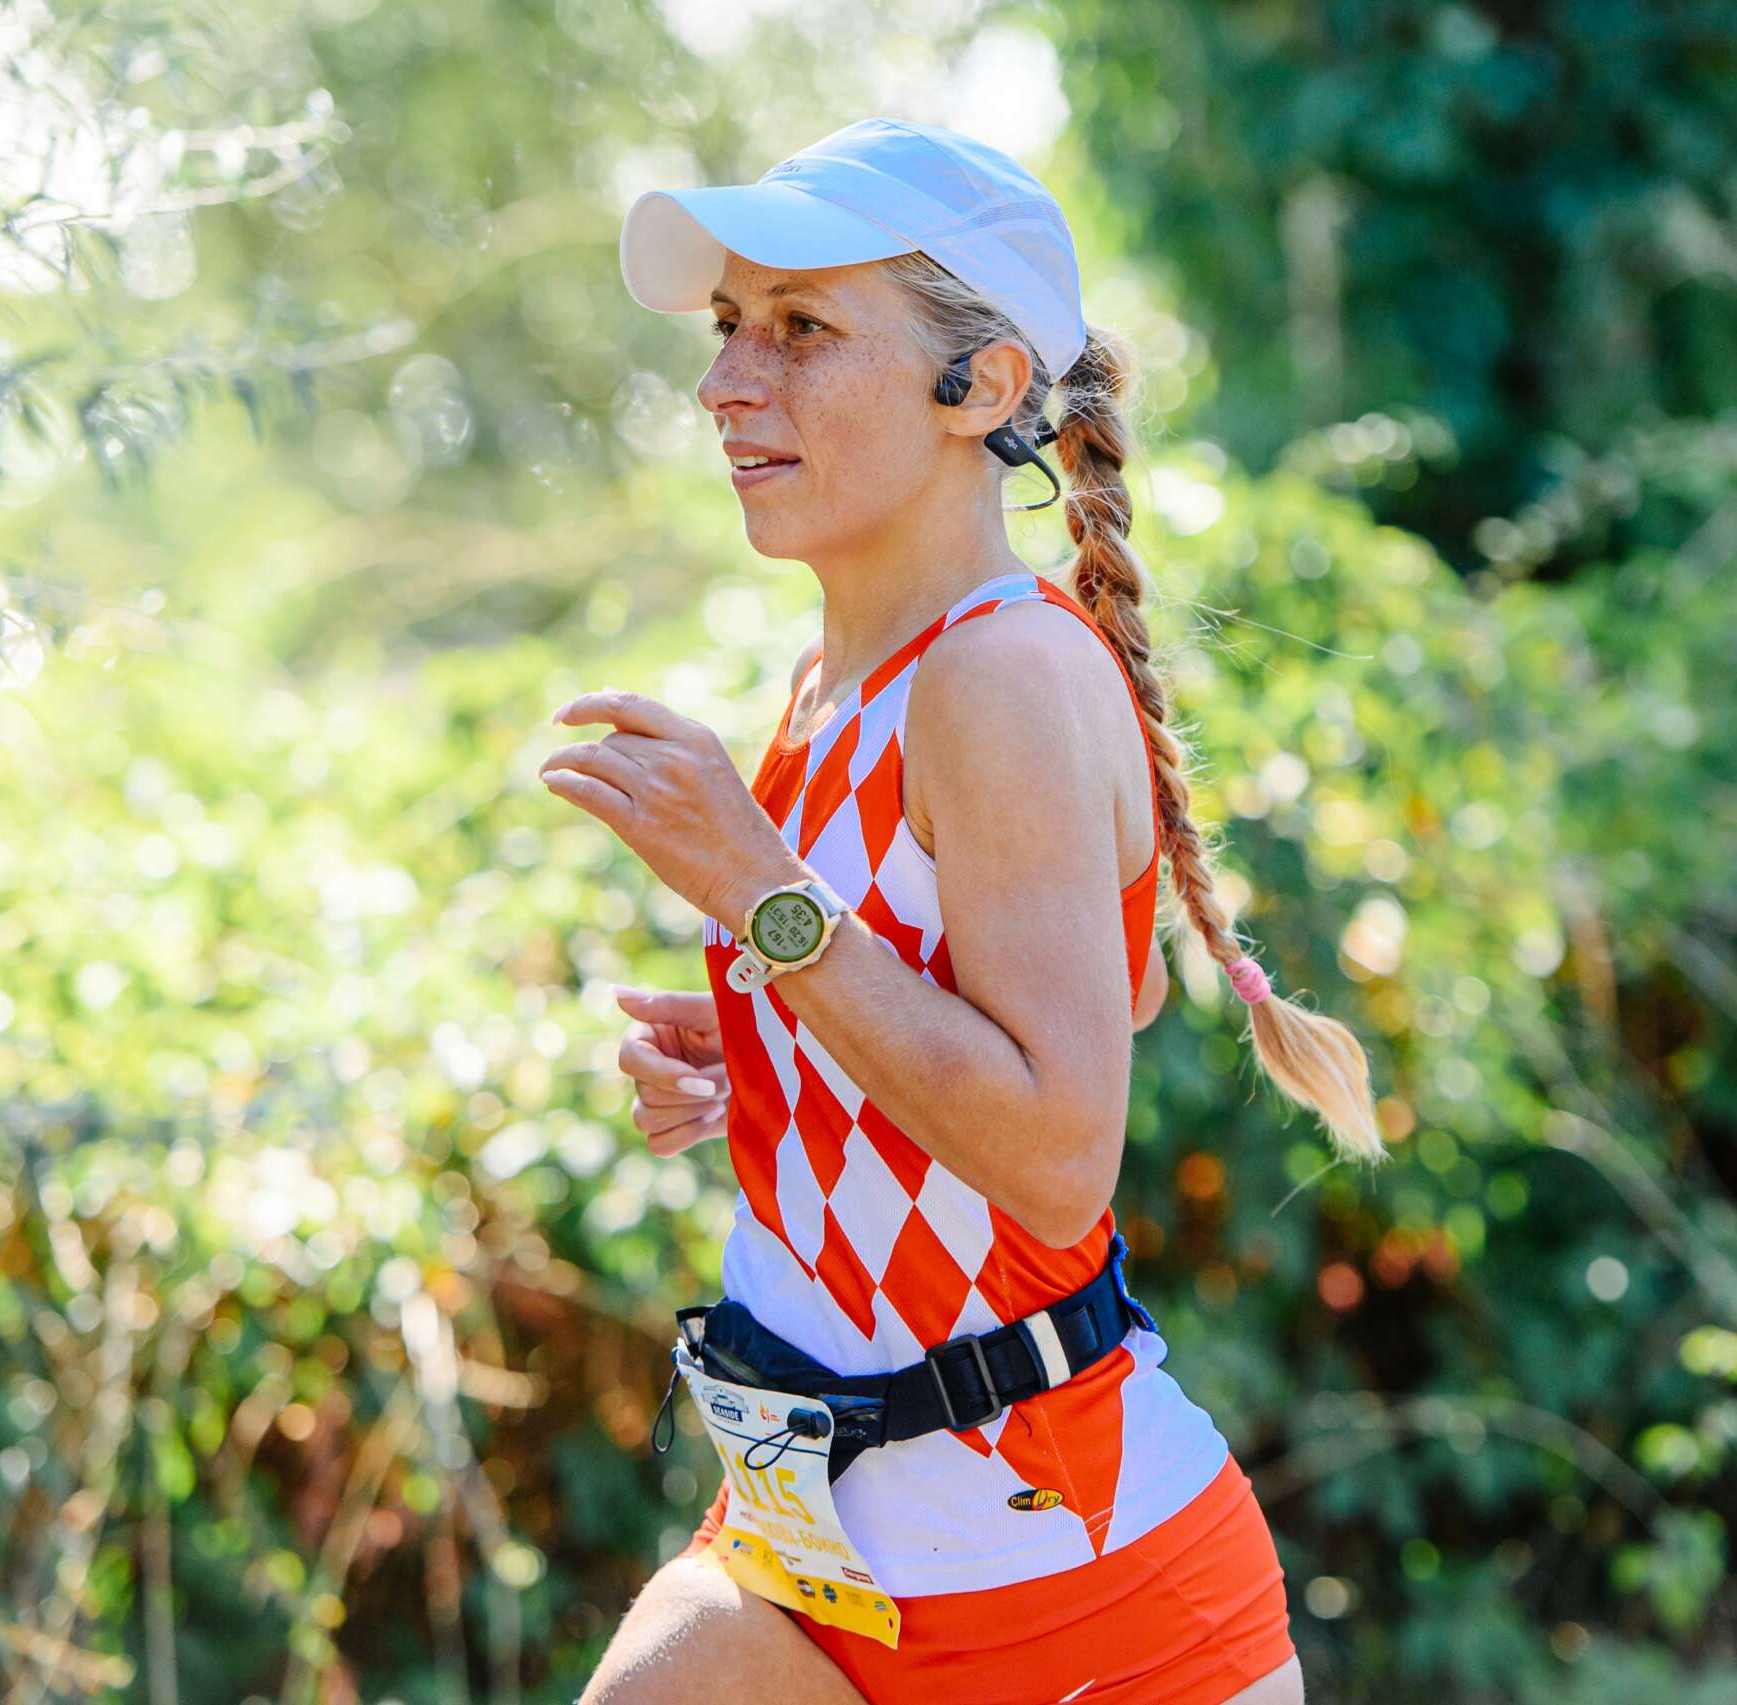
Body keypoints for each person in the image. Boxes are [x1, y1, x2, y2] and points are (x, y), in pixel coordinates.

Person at [541, 116, 1379, 1705]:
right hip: (816, 1558)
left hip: (1084, 1599)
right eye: (728, 325)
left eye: (802, 328)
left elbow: (1056, 1157)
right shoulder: (832, 676)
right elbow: (1038, 996)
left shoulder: (1000, 671)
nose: (725, 383)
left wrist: (760, 896)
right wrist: (764, 1049)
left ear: (980, 387)